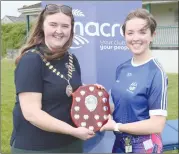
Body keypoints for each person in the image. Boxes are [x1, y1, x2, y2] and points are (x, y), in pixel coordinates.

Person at [10, 4, 104, 153]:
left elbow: (74, 95)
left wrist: (95, 93)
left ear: (71, 30)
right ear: (42, 26)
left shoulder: (72, 59)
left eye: (65, 26)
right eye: (53, 24)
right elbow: (32, 113)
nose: (59, 31)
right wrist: (72, 131)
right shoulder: (31, 60)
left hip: (71, 144)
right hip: (37, 147)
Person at [100, 8, 168, 153]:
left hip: (144, 146)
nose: (135, 38)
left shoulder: (157, 73)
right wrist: (97, 96)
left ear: (152, 35)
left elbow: (157, 124)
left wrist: (117, 126)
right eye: (130, 33)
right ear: (125, 36)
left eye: (142, 32)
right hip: (120, 143)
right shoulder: (122, 68)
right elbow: (118, 105)